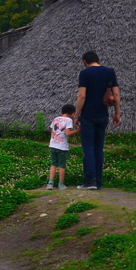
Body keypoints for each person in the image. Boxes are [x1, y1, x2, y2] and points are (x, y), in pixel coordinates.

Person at [75, 51, 120, 190]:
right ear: (98, 59)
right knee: (98, 148)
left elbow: (82, 96)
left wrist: (76, 115)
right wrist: (117, 113)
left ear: (84, 61)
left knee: (88, 147)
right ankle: (98, 182)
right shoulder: (109, 72)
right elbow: (116, 94)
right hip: (103, 115)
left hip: (88, 115)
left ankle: (90, 181)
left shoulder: (85, 73)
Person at [46, 104, 78, 190]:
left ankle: (50, 183)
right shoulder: (69, 120)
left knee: (53, 164)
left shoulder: (55, 119)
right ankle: (61, 184)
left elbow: (53, 131)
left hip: (53, 145)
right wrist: (78, 130)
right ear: (72, 113)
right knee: (61, 166)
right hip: (62, 147)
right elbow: (67, 133)